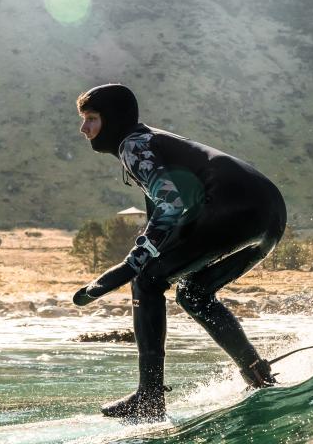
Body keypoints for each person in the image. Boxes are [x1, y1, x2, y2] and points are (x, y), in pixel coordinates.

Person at [74, 83, 287, 422]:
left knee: (146, 280)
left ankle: (150, 398)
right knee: (194, 292)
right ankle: (258, 375)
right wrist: (139, 259)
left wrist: (130, 266)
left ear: (112, 120)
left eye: (92, 119)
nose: (84, 129)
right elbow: (161, 217)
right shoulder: (149, 143)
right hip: (270, 215)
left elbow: (170, 204)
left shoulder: (133, 146)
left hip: (234, 206)